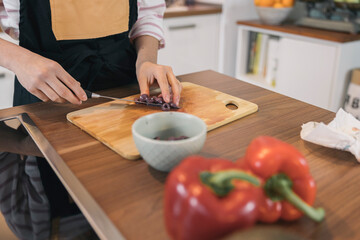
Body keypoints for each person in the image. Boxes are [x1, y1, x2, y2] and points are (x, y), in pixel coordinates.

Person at [0, 0, 182, 107]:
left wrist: (146, 62)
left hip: (125, 87)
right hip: (47, 97)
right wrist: (19, 60)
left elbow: (148, 15)